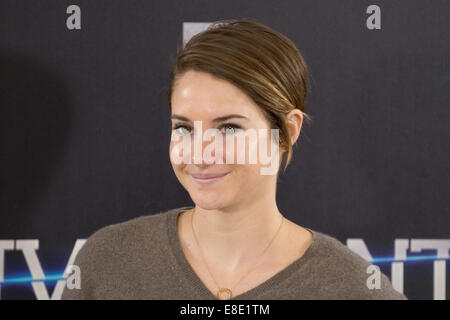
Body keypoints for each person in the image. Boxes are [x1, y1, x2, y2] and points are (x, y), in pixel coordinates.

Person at [61, 19, 407, 300]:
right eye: (183, 128)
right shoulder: (109, 261)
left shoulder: (352, 289)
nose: (199, 153)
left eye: (228, 128)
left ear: (286, 132)